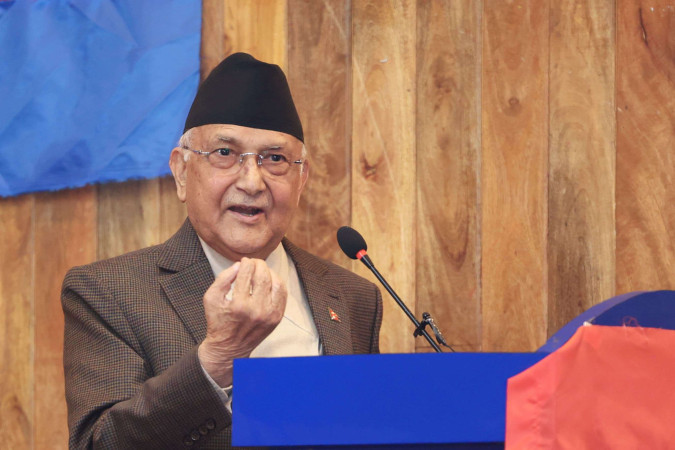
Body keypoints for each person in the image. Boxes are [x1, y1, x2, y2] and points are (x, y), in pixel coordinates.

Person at [61, 52, 383, 449]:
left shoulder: (353, 296)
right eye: (225, 154)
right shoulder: (109, 292)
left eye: (275, 159)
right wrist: (218, 358)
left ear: (301, 180)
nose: (252, 182)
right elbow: (97, 444)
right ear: (182, 171)